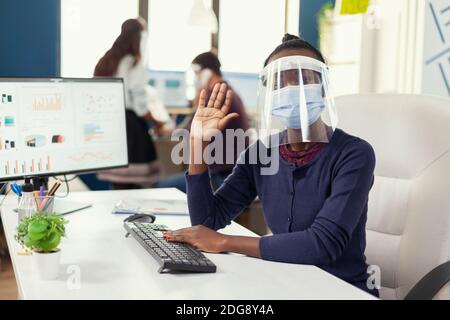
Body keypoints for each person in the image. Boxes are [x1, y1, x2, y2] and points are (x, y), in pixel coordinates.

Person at [164, 34, 379, 297]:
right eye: (280, 83)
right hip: (285, 284)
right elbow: (207, 221)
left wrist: (224, 242)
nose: (290, 89)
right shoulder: (260, 154)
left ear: (322, 87)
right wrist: (197, 147)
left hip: (343, 290)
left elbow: (323, 244)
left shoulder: (355, 154)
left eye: (302, 78)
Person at [154, 51, 249, 192]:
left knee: (160, 187)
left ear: (207, 73)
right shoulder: (228, 91)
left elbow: (189, 131)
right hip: (230, 172)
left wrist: (198, 98)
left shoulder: (216, 97)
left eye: (197, 73)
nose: (196, 78)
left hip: (222, 176)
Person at [94, 18, 169, 189]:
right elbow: (141, 106)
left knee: (117, 182)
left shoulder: (106, 60)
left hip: (109, 125)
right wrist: (157, 123)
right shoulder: (133, 63)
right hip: (130, 128)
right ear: (139, 37)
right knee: (133, 184)